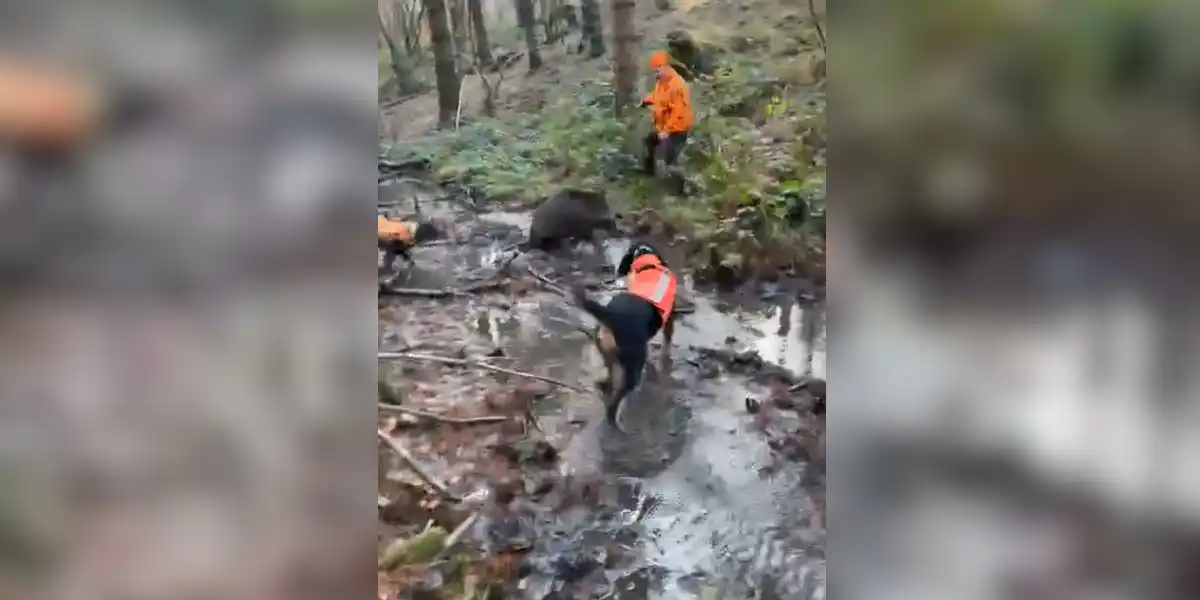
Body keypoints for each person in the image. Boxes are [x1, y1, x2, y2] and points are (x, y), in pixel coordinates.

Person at [640, 50, 693, 196]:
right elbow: (658, 96)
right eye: (654, 69)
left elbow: (679, 113)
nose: (656, 72)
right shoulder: (661, 81)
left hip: (677, 129)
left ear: (665, 66)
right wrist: (646, 101)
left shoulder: (677, 85)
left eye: (657, 68)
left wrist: (667, 131)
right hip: (663, 127)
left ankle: (683, 191)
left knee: (669, 159)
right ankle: (649, 175)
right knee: (649, 142)